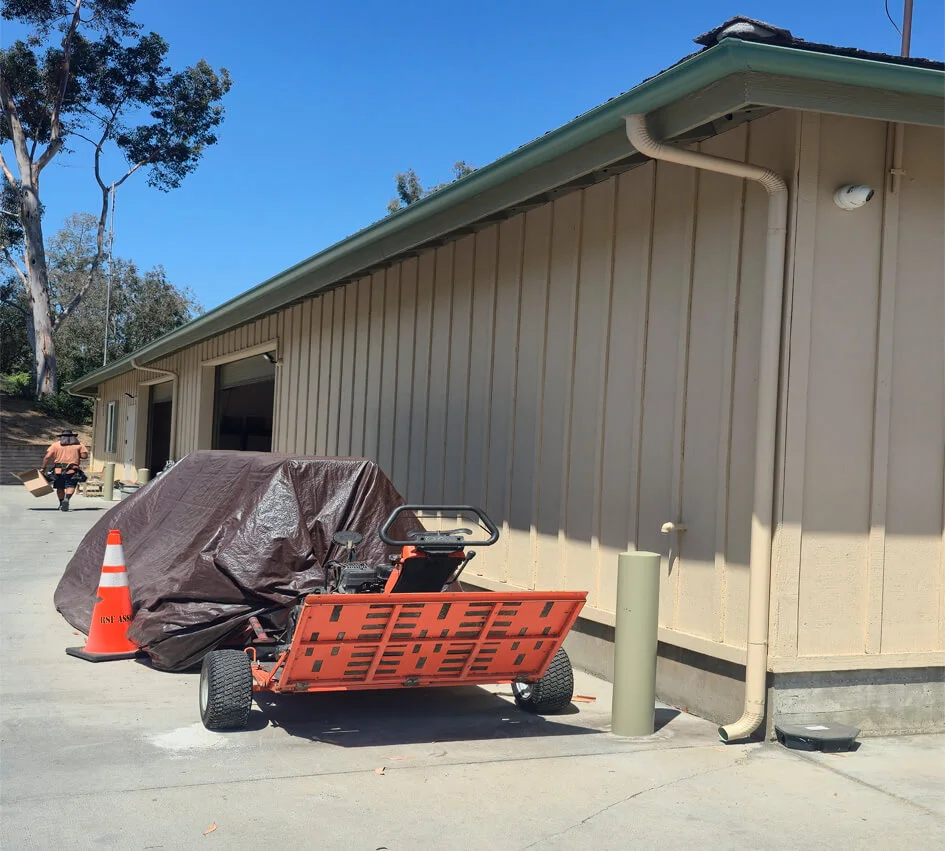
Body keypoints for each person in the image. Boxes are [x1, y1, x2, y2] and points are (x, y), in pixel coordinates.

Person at [41, 430, 89, 512]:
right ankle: (67, 499)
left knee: (60, 487)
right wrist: (76, 453)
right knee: (71, 485)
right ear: (73, 437)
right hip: (72, 470)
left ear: (61, 437)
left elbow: (47, 457)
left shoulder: (55, 445)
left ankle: (61, 503)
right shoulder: (79, 445)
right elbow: (84, 456)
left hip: (58, 470)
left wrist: (43, 468)